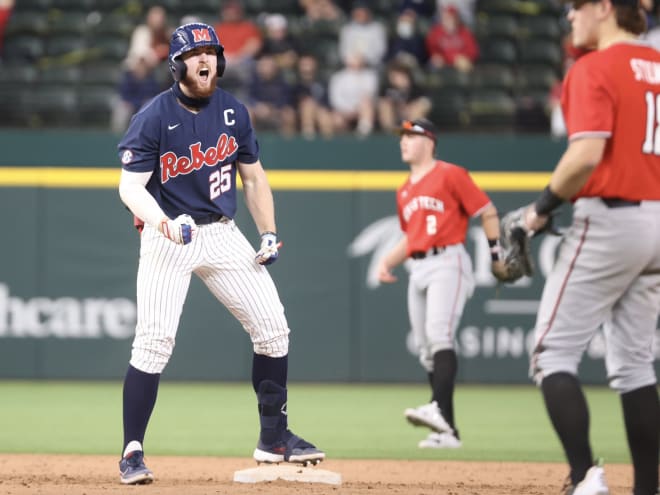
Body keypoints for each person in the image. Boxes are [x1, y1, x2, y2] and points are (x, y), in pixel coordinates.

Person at [115, 22, 324, 485]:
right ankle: (132, 452)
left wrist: (268, 232)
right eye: (195, 53)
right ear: (177, 64)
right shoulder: (153, 116)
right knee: (154, 343)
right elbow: (130, 188)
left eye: (211, 50)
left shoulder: (234, 112)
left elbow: (255, 177)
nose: (205, 59)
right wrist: (164, 223)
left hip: (224, 234)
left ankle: (274, 439)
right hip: (170, 236)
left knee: (273, 330)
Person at [512, 1, 660, 494]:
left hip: (613, 218)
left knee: (551, 353)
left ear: (604, 7)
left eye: (577, 6)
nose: (570, 16)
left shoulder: (593, 66)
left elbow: (586, 155)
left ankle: (584, 479)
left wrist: (541, 207)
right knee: (636, 365)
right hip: (657, 220)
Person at [376, 118, 508, 449]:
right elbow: (411, 237)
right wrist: (386, 262)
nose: (403, 141)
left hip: (448, 261)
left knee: (439, 335)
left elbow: (487, 211)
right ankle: (447, 430)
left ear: (430, 141)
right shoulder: (404, 188)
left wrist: (495, 254)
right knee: (426, 351)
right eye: (401, 136)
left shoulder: (450, 174)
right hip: (418, 267)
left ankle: (436, 409)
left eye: (411, 135)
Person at [425, 5, 479, 73]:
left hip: (459, 63)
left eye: (452, 18)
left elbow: (473, 51)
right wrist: (437, 56)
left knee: (466, 65)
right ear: (443, 19)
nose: (450, 21)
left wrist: (465, 57)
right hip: (441, 62)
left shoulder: (465, 32)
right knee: (435, 63)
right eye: (447, 18)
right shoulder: (436, 32)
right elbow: (431, 48)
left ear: (457, 19)